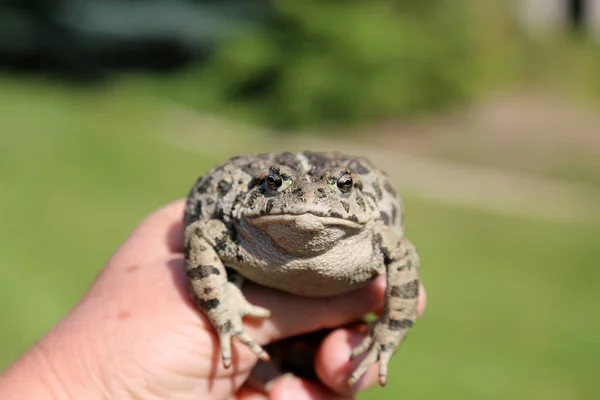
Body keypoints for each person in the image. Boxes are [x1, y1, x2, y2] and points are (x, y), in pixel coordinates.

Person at [0, 200, 426, 399]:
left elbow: (403, 253)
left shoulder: (374, 235)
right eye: (278, 186)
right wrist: (220, 310)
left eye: (341, 187)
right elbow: (202, 233)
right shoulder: (238, 231)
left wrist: (390, 331)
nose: (307, 203)